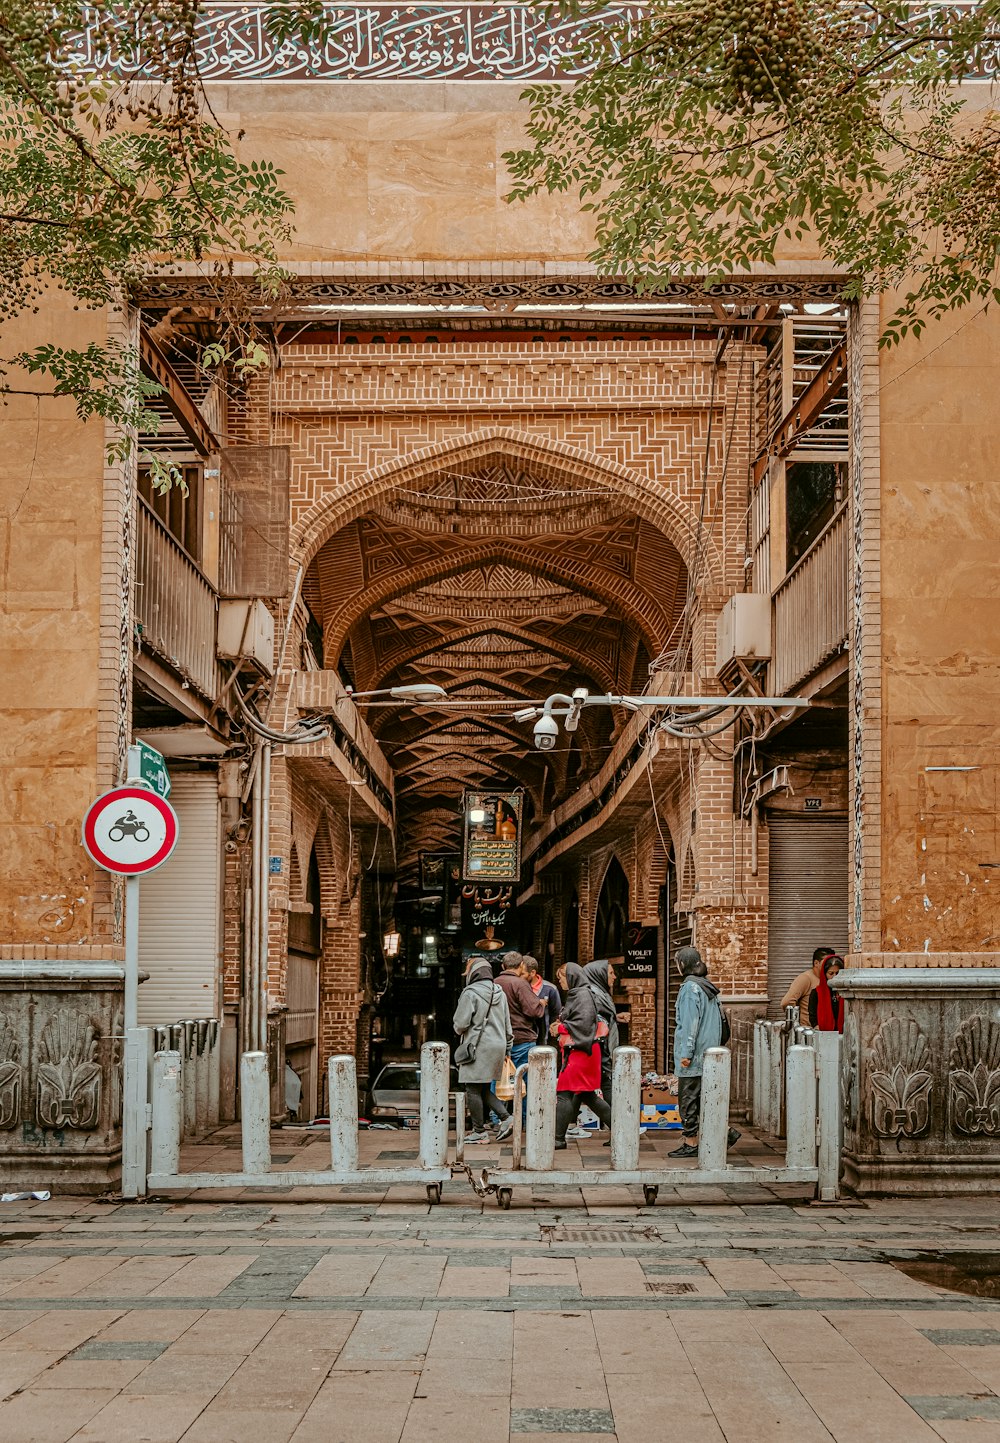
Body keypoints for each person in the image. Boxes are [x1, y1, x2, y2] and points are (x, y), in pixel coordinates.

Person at [669, 945, 740, 1160]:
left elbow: (689, 1024)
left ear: (683, 965)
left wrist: (686, 1054)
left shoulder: (690, 988)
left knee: (688, 1100)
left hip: (694, 1057)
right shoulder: (707, 987)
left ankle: (691, 1142)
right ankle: (725, 1132)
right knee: (704, 1098)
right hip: (709, 1054)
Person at [453, 958, 514, 1143]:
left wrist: (458, 1029)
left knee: (471, 1087)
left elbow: (461, 1023)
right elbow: (507, 1025)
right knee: (484, 1087)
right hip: (498, 1045)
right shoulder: (500, 992)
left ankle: (479, 1131)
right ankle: (506, 1118)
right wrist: (508, 1048)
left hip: (477, 1046)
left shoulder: (470, 993)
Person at [553, 963, 612, 1148]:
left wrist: (559, 1028)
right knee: (587, 1095)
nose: (561, 982)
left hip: (581, 1053)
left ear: (571, 977)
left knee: (563, 1093)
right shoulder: (580, 993)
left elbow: (584, 1025)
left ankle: (558, 1139)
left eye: (562, 978)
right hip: (584, 1052)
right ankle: (622, 1132)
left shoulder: (581, 995)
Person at [495, 951, 546, 1075]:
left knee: (500, 1081)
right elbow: (533, 1011)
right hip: (521, 1038)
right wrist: (541, 1004)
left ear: (503, 966)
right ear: (522, 965)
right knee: (522, 1082)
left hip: (498, 1039)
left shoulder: (494, 983)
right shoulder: (520, 984)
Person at [780, 946, 837, 1024]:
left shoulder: (830, 979)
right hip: (809, 1030)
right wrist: (798, 1022)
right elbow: (786, 1002)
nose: (829, 964)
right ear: (816, 963)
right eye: (826, 962)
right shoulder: (805, 978)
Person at [522, 954, 561, 1041]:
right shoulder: (518, 987)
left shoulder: (550, 989)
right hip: (523, 1038)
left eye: (522, 974)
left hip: (544, 1038)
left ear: (532, 973)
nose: (519, 977)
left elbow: (555, 1014)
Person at [808, 954, 845, 1031]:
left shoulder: (847, 992)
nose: (835, 977)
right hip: (824, 1036)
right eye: (831, 973)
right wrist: (817, 1027)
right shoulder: (817, 993)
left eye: (838, 973)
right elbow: (812, 1015)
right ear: (824, 974)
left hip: (845, 1035)